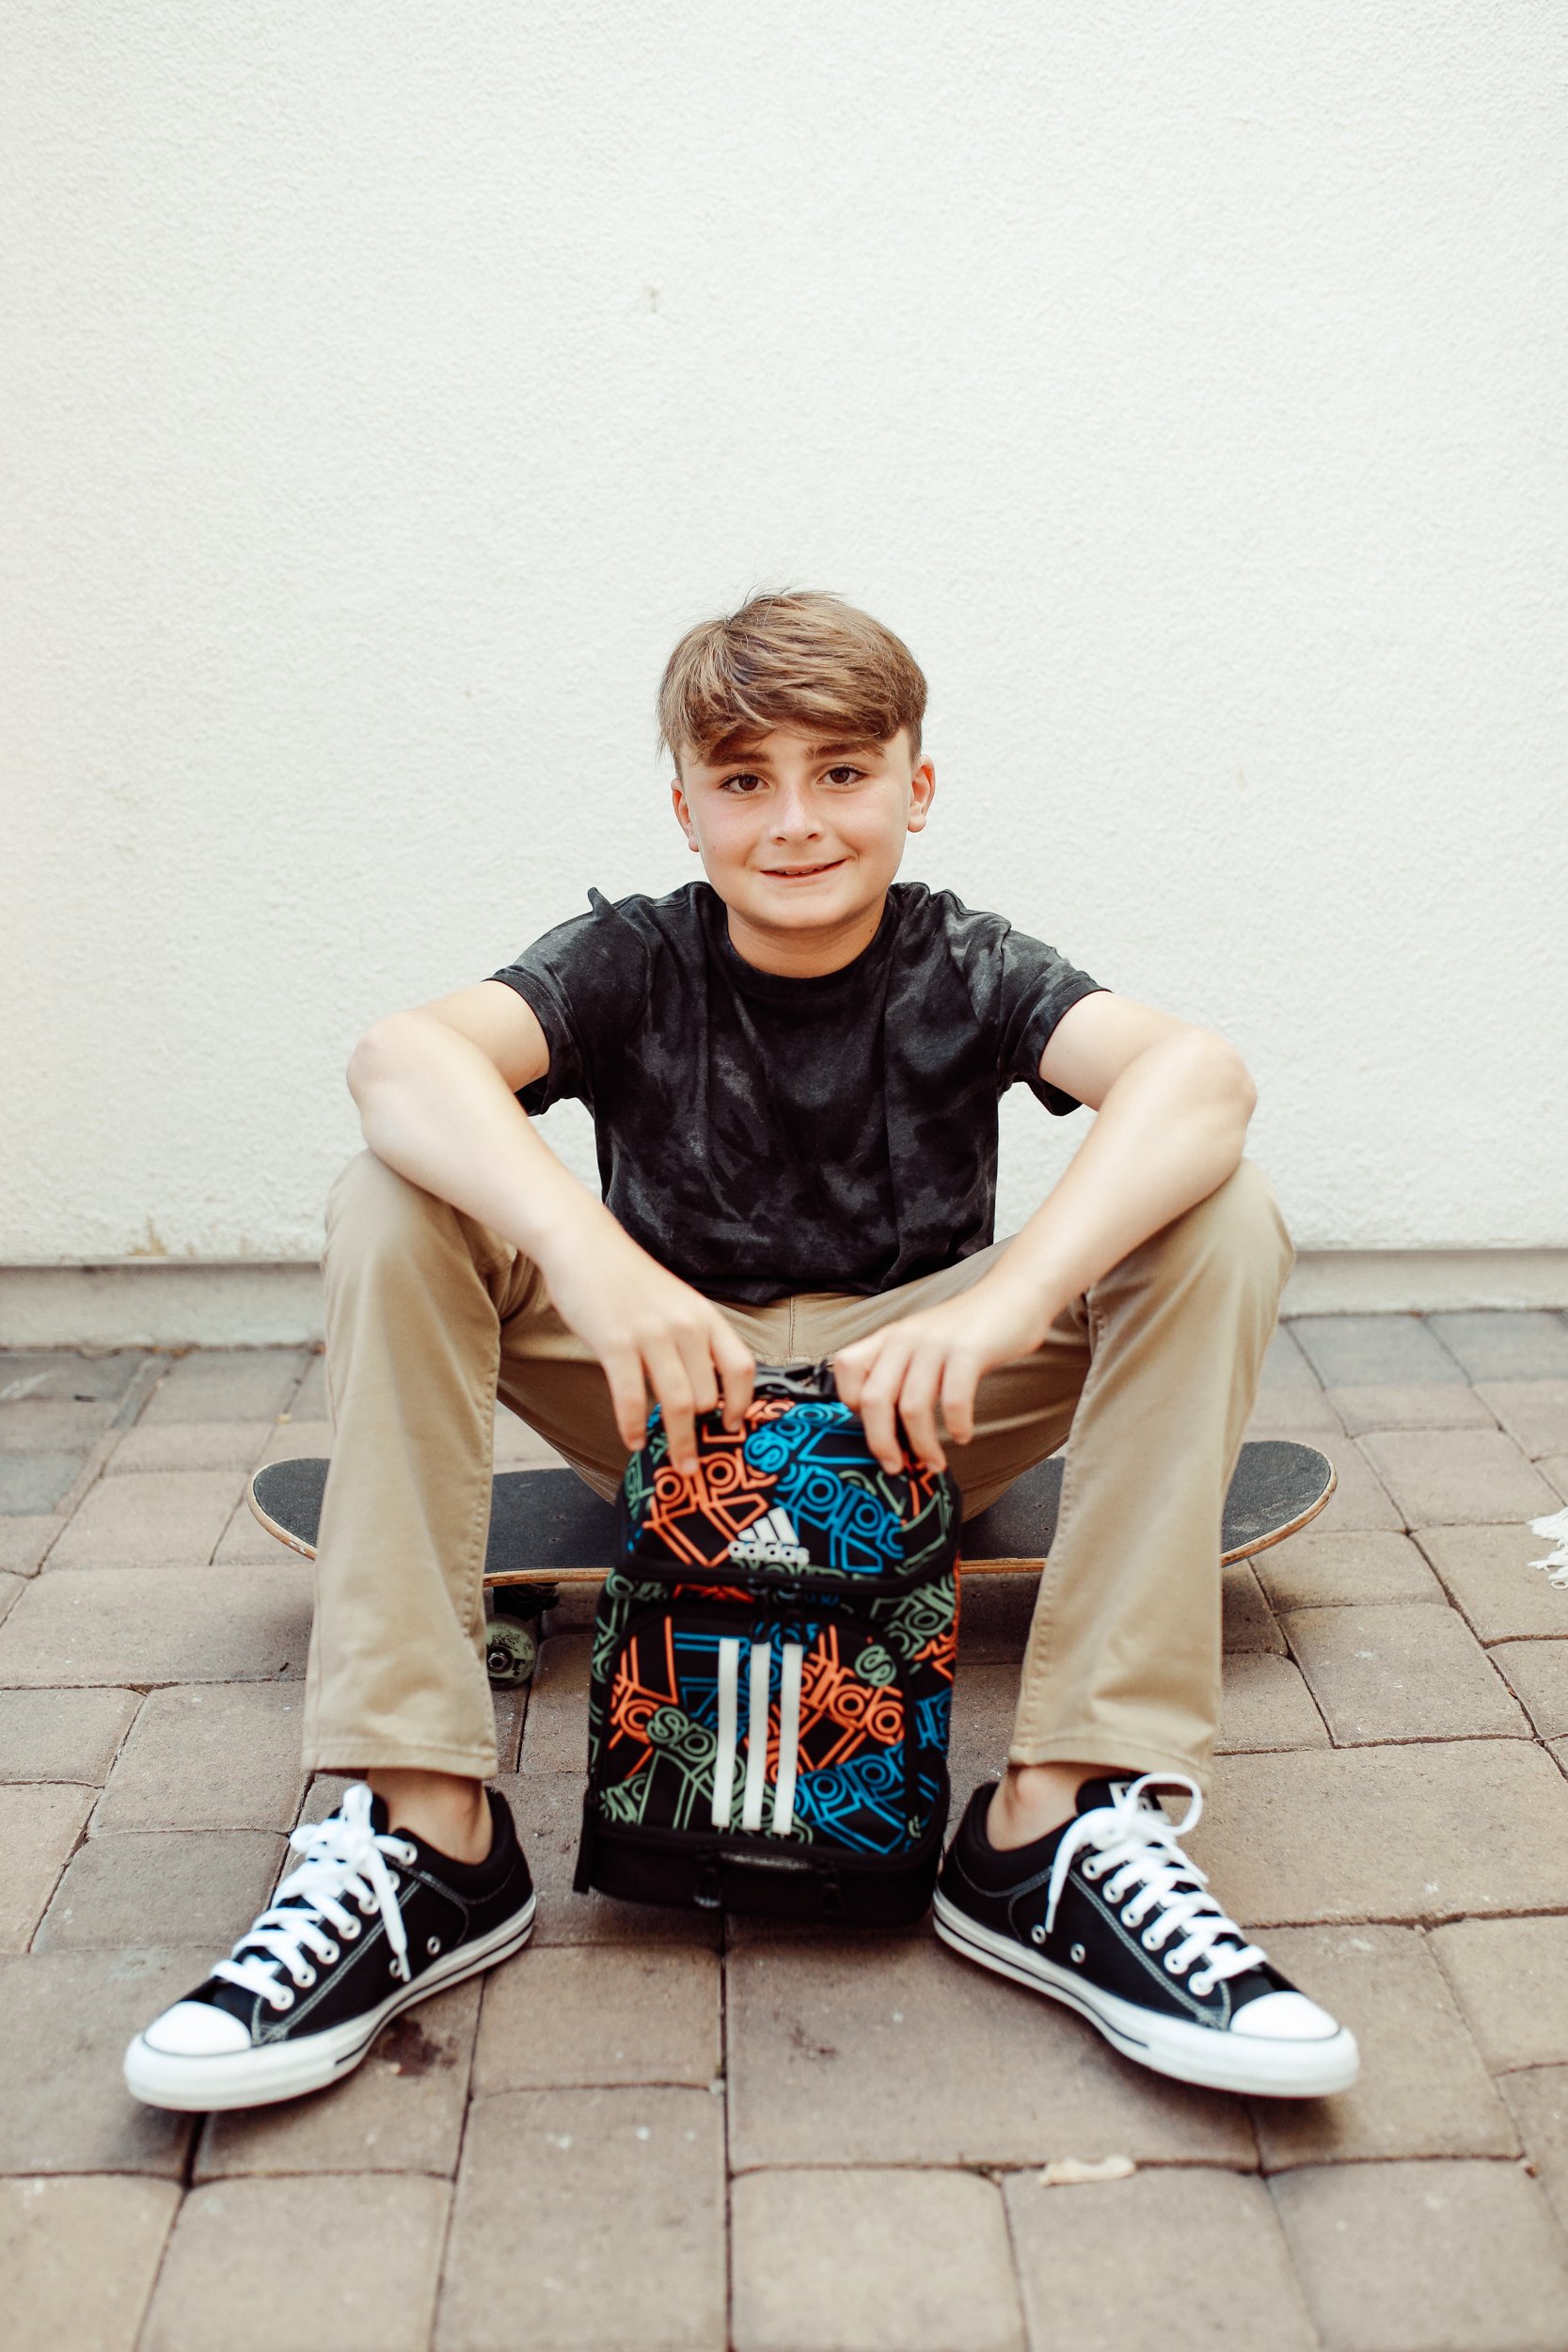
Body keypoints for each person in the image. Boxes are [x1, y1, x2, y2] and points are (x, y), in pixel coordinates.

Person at [125, 591, 1357, 2111]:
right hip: (670, 1400)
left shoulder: (961, 959)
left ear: (915, 787)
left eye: (841, 773)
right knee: (391, 1192)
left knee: (1220, 1207)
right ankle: (422, 1821)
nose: (794, 820)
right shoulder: (634, 957)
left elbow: (1198, 1076)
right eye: (745, 777)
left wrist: (1004, 1300)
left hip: (915, 1417)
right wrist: (592, 1254)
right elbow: (401, 1059)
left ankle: (1065, 1815)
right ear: (686, 804)